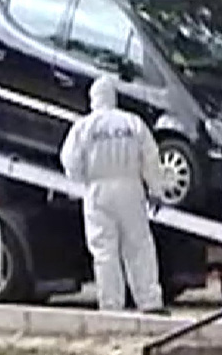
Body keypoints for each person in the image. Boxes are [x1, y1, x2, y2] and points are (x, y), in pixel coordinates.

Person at [59, 75, 168, 314]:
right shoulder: (132, 123)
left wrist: (81, 179)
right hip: (131, 190)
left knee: (104, 251)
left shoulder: (84, 127)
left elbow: (69, 161)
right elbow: (151, 157)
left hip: (98, 192)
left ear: (92, 99)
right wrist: (156, 190)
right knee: (139, 247)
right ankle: (149, 301)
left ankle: (111, 306)